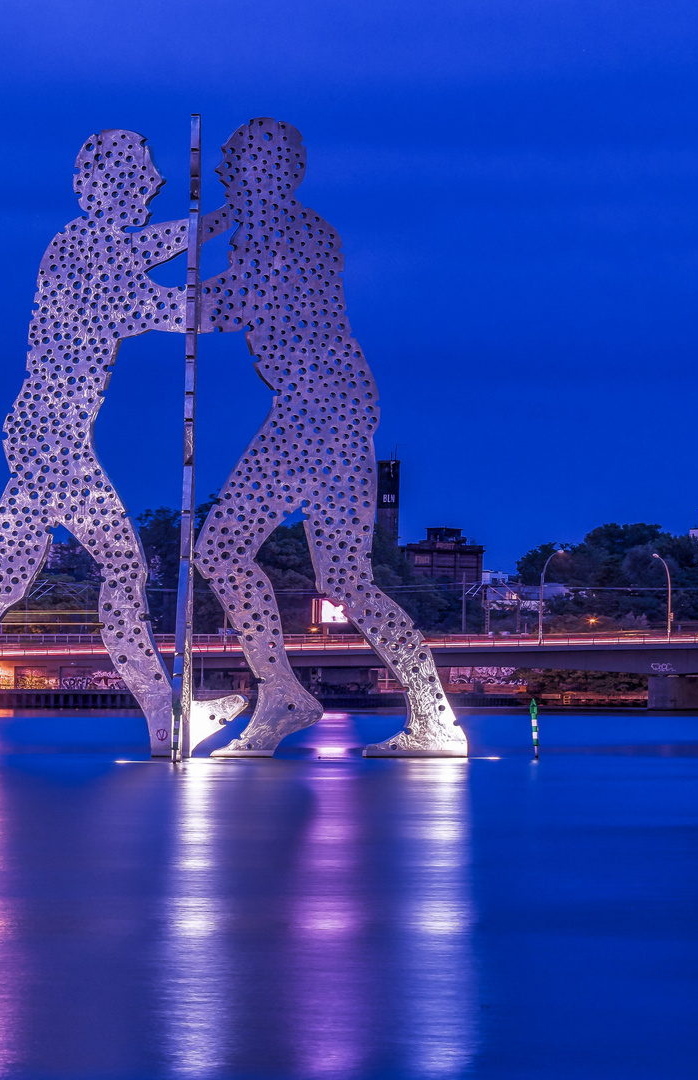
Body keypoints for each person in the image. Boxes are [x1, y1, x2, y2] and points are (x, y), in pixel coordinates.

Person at [0, 130, 248, 754]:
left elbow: (151, 260)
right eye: (143, 177)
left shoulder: (96, 249)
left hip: (42, 435)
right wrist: (241, 274)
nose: (155, 187)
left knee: (10, 575)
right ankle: (166, 715)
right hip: (53, 439)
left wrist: (218, 227)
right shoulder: (81, 249)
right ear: (106, 186)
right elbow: (164, 305)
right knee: (120, 567)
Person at [194, 118, 466, 757]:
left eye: (234, 166)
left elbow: (223, 308)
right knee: (343, 579)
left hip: (314, 413)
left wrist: (132, 298)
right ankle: (432, 715)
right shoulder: (308, 229)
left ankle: (286, 693)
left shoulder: (274, 235)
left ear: (261, 171)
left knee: (224, 551)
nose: (225, 177)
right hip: (333, 407)